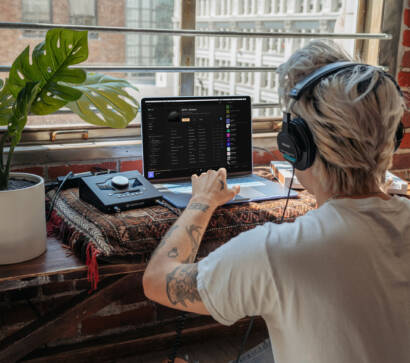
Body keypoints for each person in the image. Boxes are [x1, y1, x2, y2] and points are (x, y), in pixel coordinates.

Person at [142, 40, 410, 363]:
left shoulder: (276, 252)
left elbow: (157, 279)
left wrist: (202, 201)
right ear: (392, 138)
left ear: (297, 145)